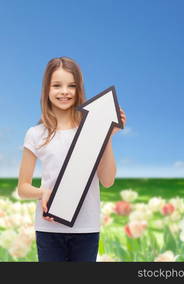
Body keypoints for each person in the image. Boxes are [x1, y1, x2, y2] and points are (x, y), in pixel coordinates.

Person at [17, 56, 126, 262]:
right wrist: (43, 192)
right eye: (57, 85)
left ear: (79, 90)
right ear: (47, 89)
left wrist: (107, 136)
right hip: (48, 229)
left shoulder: (91, 130)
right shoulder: (35, 133)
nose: (64, 92)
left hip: (86, 228)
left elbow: (108, 181)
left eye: (71, 86)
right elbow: (23, 188)